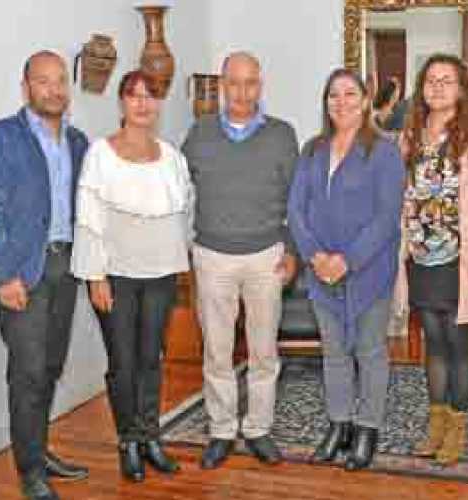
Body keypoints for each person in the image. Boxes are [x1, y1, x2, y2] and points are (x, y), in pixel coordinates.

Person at [0, 50, 89, 500]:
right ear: (26, 88)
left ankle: (39, 452)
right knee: (28, 372)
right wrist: (4, 277)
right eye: (44, 81)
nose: (54, 89)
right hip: (22, 271)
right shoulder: (1, 138)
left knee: (51, 366)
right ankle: (30, 472)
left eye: (61, 81)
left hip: (66, 266)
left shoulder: (77, 142)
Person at [71, 70, 192, 482]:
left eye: (151, 96)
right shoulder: (100, 155)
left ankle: (150, 437)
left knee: (151, 359)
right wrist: (95, 276)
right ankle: (128, 441)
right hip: (116, 276)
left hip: (160, 275)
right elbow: (88, 220)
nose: (143, 103)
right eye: (134, 95)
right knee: (122, 362)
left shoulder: (172, 157)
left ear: (159, 103)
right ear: (122, 103)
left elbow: (181, 213)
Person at [182, 51, 299, 469]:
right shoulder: (199, 133)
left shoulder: (282, 135)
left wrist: (293, 252)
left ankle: (259, 429)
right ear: (221, 85)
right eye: (234, 82)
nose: (242, 92)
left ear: (260, 86)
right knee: (217, 350)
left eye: (250, 83)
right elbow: (178, 191)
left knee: (264, 350)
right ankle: (221, 429)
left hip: (266, 255)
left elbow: (297, 201)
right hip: (212, 256)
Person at [287, 68, 405, 471]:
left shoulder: (385, 151)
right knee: (334, 353)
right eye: (333, 95)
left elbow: (387, 217)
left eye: (350, 94)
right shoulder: (311, 150)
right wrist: (316, 256)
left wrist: (348, 260)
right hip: (320, 272)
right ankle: (338, 426)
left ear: (366, 100)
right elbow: (296, 210)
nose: (341, 103)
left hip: (368, 272)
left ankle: (367, 429)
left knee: (370, 351)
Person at [398, 53, 468, 466]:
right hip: (421, 259)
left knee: (459, 344)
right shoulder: (410, 135)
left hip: (462, 260)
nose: (437, 88)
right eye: (430, 81)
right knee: (433, 344)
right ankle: (436, 424)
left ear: (462, 88)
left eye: (446, 81)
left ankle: (457, 427)